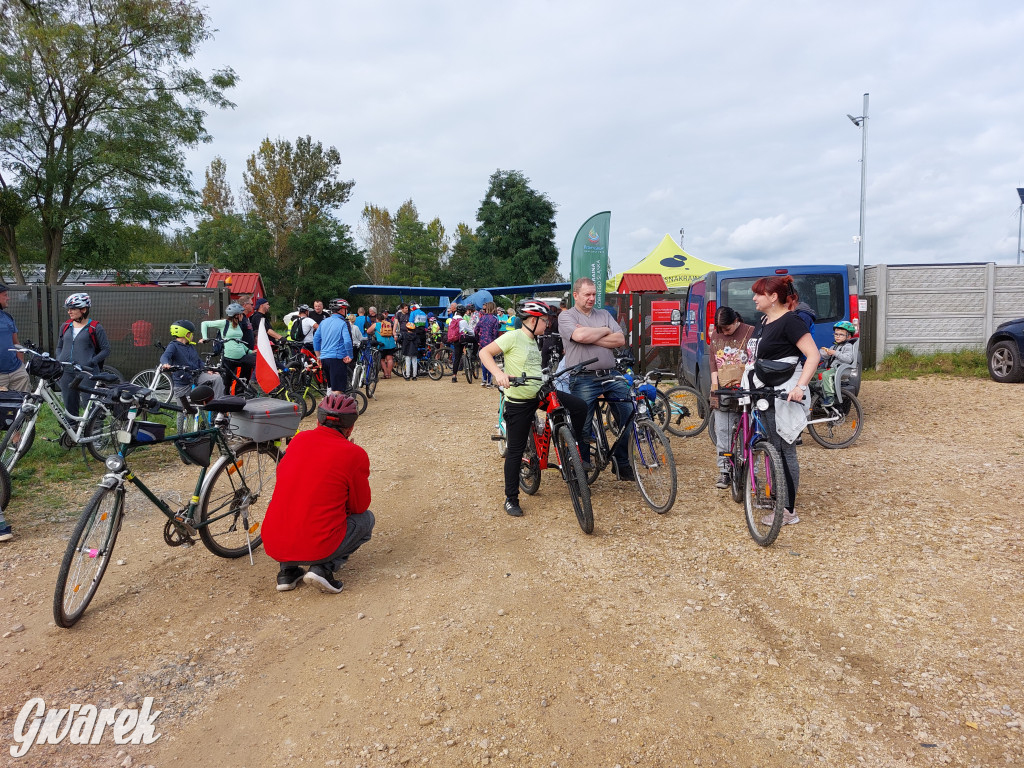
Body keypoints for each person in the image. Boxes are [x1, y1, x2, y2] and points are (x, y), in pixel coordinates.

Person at [479, 300, 587, 518]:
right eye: (545, 320)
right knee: (515, 451)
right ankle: (511, 498)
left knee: (579, 407)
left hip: (539, 393)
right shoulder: (513, 337)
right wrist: (498, 374)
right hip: (519, 401)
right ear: (533, 319)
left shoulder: (535, 340)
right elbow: (484, 353)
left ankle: (574, 451)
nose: (547, 324)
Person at [261, 393, 374, 594]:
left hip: (273, 543)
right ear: (351, 428)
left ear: (317, 420)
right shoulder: (354, 454)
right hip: (319, 545)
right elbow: (360, 506)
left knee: (295, 501)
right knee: (366, 520)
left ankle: (287, 571)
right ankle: (323, 569)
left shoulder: (298, 440)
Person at [747, 275, 821, 527]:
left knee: (785, 448)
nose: (754, 298)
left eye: (758, 293)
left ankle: (788, 510)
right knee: (775, 447)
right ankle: (780, 498)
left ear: (773, 297)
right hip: (766, 392)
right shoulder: (766, 321)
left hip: (785, 393)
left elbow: (813, 355)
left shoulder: (791, 321)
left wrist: (800, 387)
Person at [558, 278, 633, 480]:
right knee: (582, 425)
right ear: (575, 296)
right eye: (587, 295)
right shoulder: (566, 316)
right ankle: (581, 471)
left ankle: (621, 461)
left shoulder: (604, 314)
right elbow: (579, 337)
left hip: (610, 374)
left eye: (594, 294)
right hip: (582, 377)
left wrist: (590, 336)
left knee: (630, 415)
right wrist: (605, 331)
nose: (592, 298)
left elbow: (621, 340)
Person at [708, 307, 755, 489]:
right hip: (722, 387)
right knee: (724, 431)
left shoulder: (751, 331)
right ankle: (725, 472)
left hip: (746, 387)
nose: (724, 332)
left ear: (736, 320)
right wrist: (714, 387)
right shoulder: (716, 334)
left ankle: (752, 472)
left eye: (727, 328)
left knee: (750, 432)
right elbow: (713, 362)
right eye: (721, 329)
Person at [56, 292, 111, 416]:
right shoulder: (65, 326)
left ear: (84, 309)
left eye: (73, 309)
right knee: (69, 405)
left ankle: (95, 432)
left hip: (87, 372)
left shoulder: (95, 327)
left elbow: (106, 349)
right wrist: (59, 359)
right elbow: (59, 346)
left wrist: (91, 361)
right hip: (66, 372)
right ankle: (72, 433)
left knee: (90, 405)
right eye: (68, 309)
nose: (69, 312)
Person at [201, 302, 254, 396]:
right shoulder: (224, 323)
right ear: (236, 315)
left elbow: (238, 342)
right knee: (227, 383)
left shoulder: (238, 325)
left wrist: (250, 351)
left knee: (254, 365)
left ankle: (245, 391)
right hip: (229, 358)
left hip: (241, 356)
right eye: (241, 314)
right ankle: (225, 404)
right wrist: (205, 338)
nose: (243, 316)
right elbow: (204, 324)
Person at [160, 320, 202, 433]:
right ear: (187, 334)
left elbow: (198, 361)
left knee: (195, 408)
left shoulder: (190, 347)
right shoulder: (173, 346)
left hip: (194, 380)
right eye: (192, 334)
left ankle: (195, 431)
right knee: (182, 410)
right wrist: (165, 364)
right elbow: (165, 356)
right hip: (181, 383)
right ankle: (180, 435)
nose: (193, 336)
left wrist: (208, 370)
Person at [313, 298, 355, 394]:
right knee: (338, 389)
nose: (347, 311)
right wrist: (350, 355)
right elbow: (348, 341)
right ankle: (332, 408)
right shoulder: (343, 322)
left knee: (331, 386)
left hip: (325, 358)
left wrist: (318, 356)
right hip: (337, 358)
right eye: (346, 309)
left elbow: (316, 340)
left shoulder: (323, 322)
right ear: (341, 310)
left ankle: (328, 406)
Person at [819, 321, 857, 407]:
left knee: (826, 375)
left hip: (840, 369)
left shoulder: (848, 346)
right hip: (831, 368)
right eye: (836, 334)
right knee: (813, 374)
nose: (837, 336)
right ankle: (817, 395)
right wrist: (826, 353)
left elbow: (848, 359)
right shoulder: (834, 346)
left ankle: (830, 397)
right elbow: (828, 358)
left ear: (849, 336)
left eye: (841, 335)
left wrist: (835, 353)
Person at [0, 283, 30, 392]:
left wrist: (21, 366)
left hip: (17, 373)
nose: (8, 298)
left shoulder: (8, 317)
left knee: (22, 405)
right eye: (5, 295)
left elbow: (15, 343)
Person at [475, 302, 501, 387]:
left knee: (484, 360)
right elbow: (495, 331)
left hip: (482, 341)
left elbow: (476, 329)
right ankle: (489, 381)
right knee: (491, 361)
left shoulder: (482, 318)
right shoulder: (495, 319)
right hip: (491, 341)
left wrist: (478, 339)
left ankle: (484, 380)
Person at [369, 311, 396, 378]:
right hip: (391, 343)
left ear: (377, 319)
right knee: (390, 359)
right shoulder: (388, 323)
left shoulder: (376, 324)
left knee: (382, 359)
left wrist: (374, 332)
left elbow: (368, 331)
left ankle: (386, 374)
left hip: (382, 344)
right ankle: (389, 374)